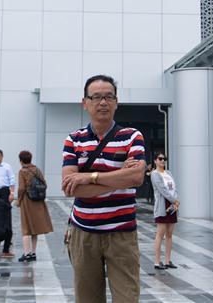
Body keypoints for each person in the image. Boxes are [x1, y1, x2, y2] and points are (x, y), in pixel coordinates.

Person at [61, 74, 146, 303]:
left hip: (122, 234)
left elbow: (137, 177)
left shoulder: (131, 136)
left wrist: (89, 177)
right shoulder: (74, 140)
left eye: (109, 97)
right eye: (96, 97)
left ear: (116, 102)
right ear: (85, 102)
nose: (103, 102)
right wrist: (120, 177)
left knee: (127, 298)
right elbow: (71, 188)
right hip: (83, 233)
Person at [14, 150, 53, 262]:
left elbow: (21, 188)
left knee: (26, 228)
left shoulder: (22, 172)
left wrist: (19, 200)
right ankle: (33, 253)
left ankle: (26, 254)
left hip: (27, 201)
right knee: (34, 229)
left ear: (21, 161)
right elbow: (44, 184)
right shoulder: (37, 170)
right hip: (38, 202)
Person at [150, 152, 179, 270]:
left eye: (164, 159)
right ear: (155, 161)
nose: (162, 161)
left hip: (172, 205)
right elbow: (162, 190)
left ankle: (167, 260)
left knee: (170, 234)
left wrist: (176, 200)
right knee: (160, 234)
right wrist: (174, 200)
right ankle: (157, 262)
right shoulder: (154, 174)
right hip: (163, 205)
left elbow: (174, 188)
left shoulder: (169, 173)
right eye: (160, 159)